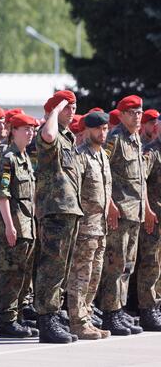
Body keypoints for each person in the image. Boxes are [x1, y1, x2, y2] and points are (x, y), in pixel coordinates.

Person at [99, 95, 152, 334]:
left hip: (135, 212)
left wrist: (146, 209)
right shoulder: (115, 138)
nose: (137, 116)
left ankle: (119, 311)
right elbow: (103, 172)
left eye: (139, 112)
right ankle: (110, 314)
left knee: (127, 265)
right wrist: (109, 204)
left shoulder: (136, 138)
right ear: (121, 115)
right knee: (115, 264)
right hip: (119, 211)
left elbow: (140, 179)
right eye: (132, 112)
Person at [34, 90, 81, 344]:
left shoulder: (69, 137)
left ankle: (55, 313)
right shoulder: (48, 132)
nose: (71, 110)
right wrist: (54, 109)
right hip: (54, 208)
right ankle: (47, 318)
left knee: (62, 267)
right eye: (67, 106)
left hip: (69, 208)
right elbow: (49, 134)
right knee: (51, 266)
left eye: (73, 106)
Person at [67, 111, 112, 339]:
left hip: (101, 227)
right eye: (98, 129)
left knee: (94, 277)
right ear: (86, 130)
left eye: (105, 129)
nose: (102, 133)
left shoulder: (103, 155)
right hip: (85, 229)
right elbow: (72, 193)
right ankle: (77, 322)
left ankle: (87, 317)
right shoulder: (80, 156)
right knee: (80, 276)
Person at [0, 114, 39, 338]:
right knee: (10, 275)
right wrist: (9, 226)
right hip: (14, 226)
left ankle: (18, 317)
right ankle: (7, 321)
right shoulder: (8, 158)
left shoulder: (25, 158)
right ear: (13, 131)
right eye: (25, 129)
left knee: (23, 276)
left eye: (31, 129)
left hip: (27, 225)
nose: (30, 133)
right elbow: (2, 195)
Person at [140, 108, 161, 332]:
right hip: (154, 216)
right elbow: (141, 181)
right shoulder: (151, 152)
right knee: (151, 264)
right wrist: (146, 209)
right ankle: (148, 309)